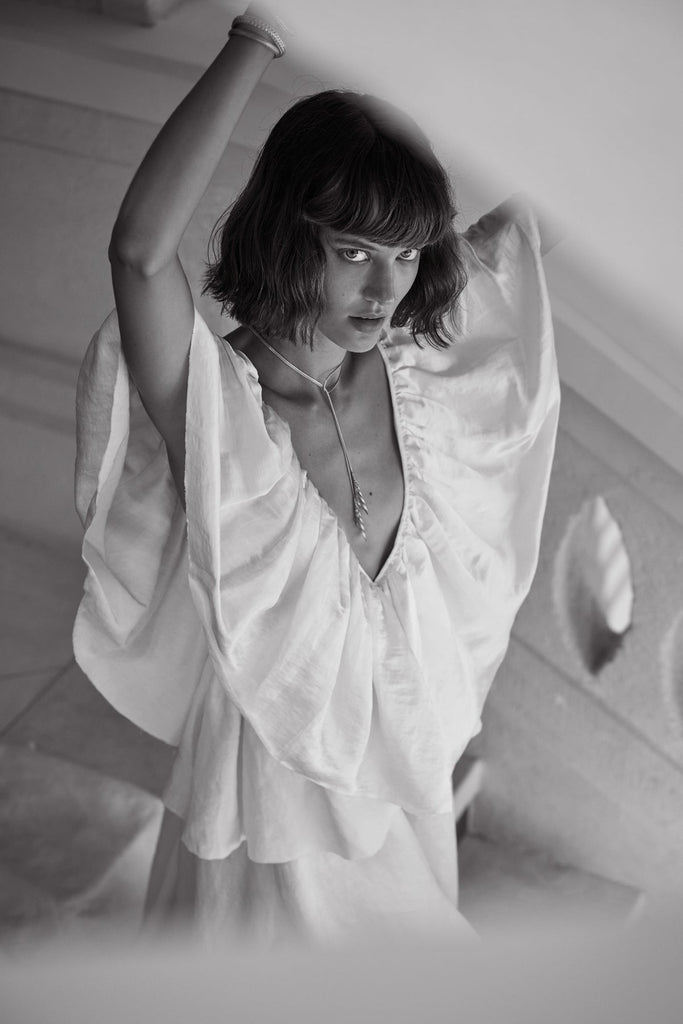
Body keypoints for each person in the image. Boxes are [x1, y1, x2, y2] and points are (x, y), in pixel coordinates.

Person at [73, 5, 560, 946]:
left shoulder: (417, 371)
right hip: (274, 798)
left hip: (402, 770)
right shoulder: (221, 415)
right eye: (353, 253)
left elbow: (533, 219)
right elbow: (138, 251)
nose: (384, 291)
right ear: (286, 236)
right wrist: (259, 33)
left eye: (405, 254)